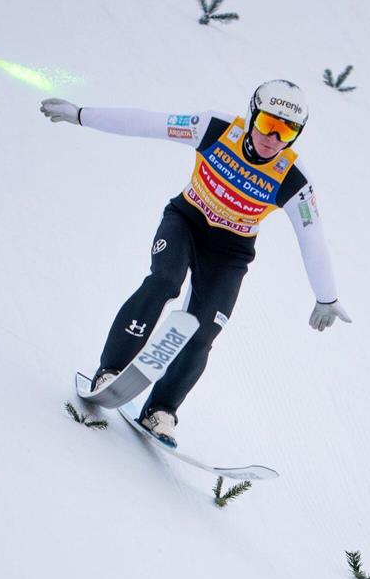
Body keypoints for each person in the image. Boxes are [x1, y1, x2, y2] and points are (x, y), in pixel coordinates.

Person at [40, 79, 351, 447]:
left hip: (230, 253)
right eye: (268, 124)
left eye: (287, 131)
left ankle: (162, 410)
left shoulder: (294, 180)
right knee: (164, 282)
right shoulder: (215, 129)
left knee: (205, 330)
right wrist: (81, 116)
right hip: (186, 222)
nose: (273, 138)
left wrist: (326, 297)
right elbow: (146, 123)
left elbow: (312, 239)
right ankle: (110, 372)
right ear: (253, 115)